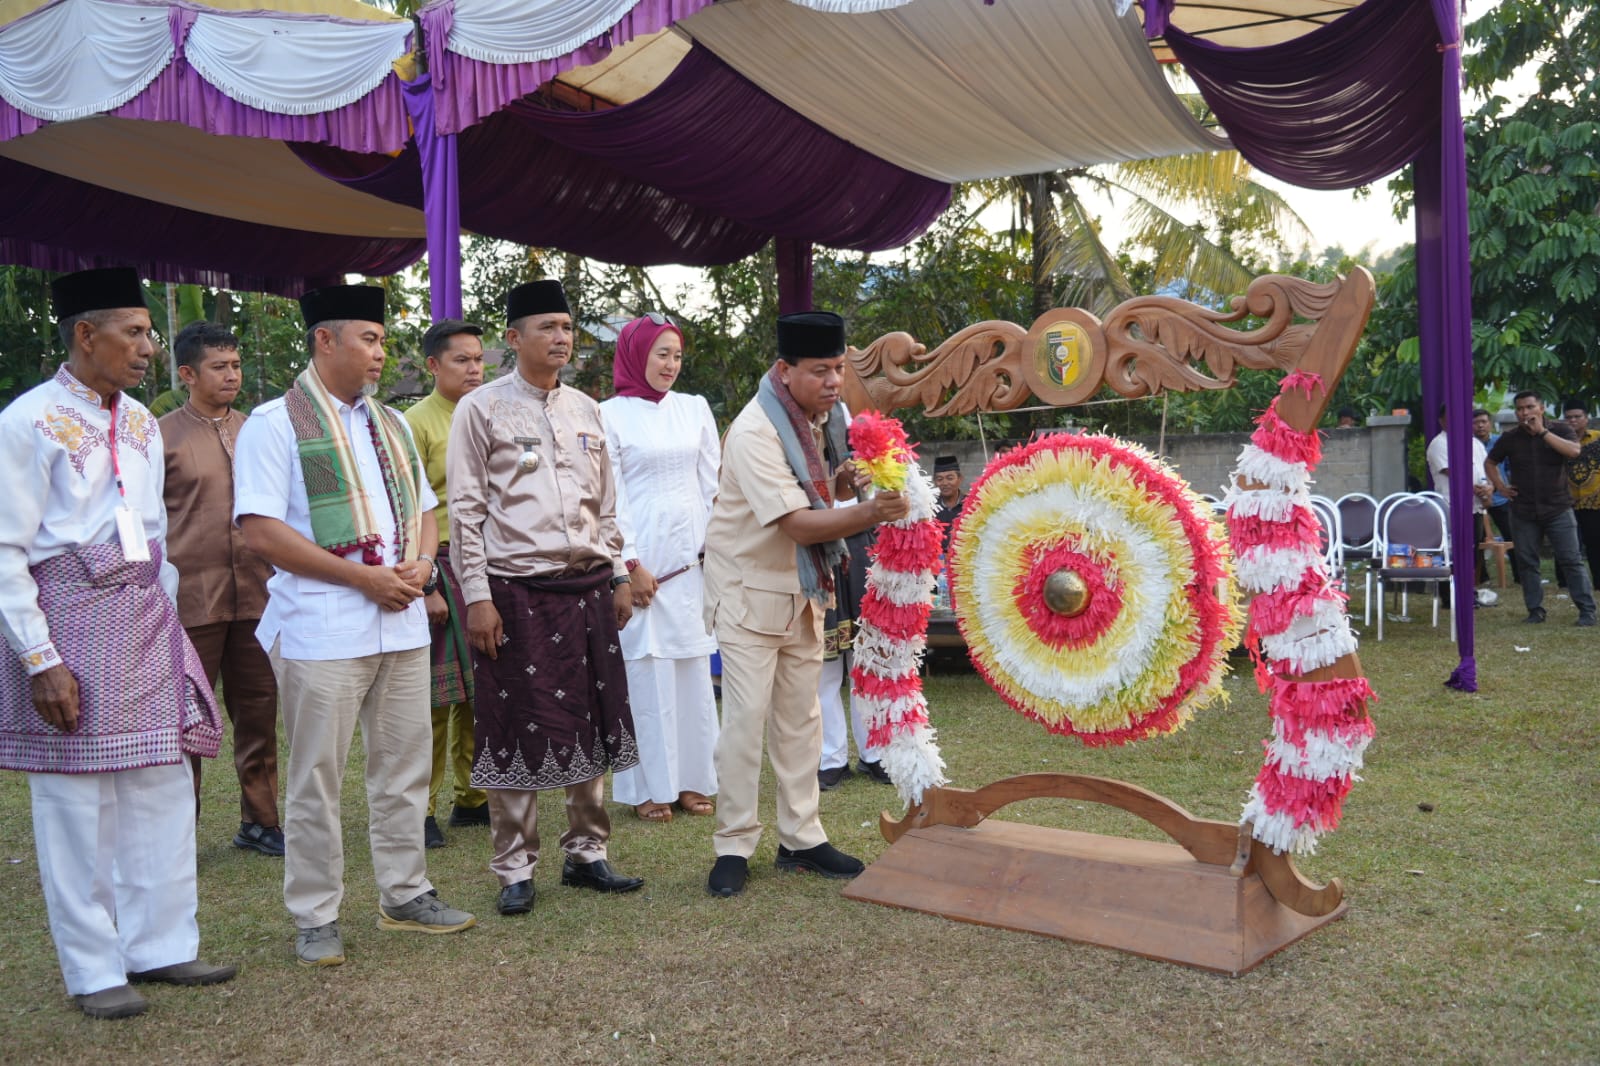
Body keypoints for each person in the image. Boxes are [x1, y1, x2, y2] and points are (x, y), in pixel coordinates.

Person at [0, 267, 234, 1020]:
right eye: (132, 332)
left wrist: (164, 621)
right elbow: (6, 548)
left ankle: (162, 945)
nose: (148, 347)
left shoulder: (139, 420)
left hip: (143, 615)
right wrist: (41, 659)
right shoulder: (26, 422)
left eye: (148, 332)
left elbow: (156, 533)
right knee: (78, 801)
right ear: (84, 335)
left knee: (162, 785)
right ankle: (94, 966)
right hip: (66, 620)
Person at [234, 284, 475, 968]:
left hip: (398, 622)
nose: (380, 353)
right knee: (316, 777)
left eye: (381, 340)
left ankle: (405, 893)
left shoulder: (392, 425)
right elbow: (261, 532)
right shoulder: (274, 424)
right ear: (324, 341)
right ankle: (315, 916)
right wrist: (363, 577)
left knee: (402, 767)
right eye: (368, 339)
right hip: (322, 627)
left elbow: (427, 510)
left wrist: (423, 564)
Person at [448, 279, 645, 918]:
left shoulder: (589, 410)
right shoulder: (479, 410)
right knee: (516, 723)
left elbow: (607, 508)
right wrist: (477, 597)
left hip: (587, 588)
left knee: (591, 717)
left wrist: (616, 575)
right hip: (514, 591)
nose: (560, 338)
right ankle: (514, 866)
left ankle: (588, 852)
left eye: (566, 326)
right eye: (546, 327)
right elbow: (467, 512)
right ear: (513, 337)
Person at [702, 310, 910, 899]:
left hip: (800, 592)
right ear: (783, 370)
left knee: (803, 721)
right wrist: (868, 511)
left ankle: (801, 838)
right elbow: (796, 523)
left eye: (839, 369)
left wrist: (842, 487)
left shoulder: (816, 422)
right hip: (748, 594)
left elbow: (811, 497)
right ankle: (733, 844)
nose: (833, 382)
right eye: (820, 370)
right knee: (744, 725)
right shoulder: (755, 431)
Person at [160, 321, 282, 855]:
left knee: (258, 710)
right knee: (184, 722)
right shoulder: (159, 435)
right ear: (187, 373)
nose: (231, 374)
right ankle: (176, 835)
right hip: (192, 599)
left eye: (235, 365)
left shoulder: (259, 429)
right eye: (219, 366)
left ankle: (260, 821)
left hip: (258, 593)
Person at [600, 313, 721, 825]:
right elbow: (609, 496)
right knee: (645, 680)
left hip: (691, 567)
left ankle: (695, 780)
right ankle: (648, 787)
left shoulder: (694, 409)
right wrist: (628, 566)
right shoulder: (607, 414)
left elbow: (713, 485)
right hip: (641, 569)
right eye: (661, 354)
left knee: (693, 675)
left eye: (676, 354)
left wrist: (715, 548)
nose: (671, 364)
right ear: (636, 355)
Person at [404, 319, 489, 849]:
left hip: (488, 566)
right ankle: (423, 807)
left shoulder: (493, 413)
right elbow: (411, 511)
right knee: (434, 698)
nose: (475, 368)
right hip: (437, 566)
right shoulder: (413, 423)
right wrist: (428, 585)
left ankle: (474, 798)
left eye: (480, 359)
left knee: (483, 692)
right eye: (462, 359)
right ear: (434, 365)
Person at [1483, 390, 1596, 626]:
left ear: (1541, 408)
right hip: (1523, 510)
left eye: (1529, 407)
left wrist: (1542, 432)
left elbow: (1574, 451)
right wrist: (1501, 487)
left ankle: (1587, 611)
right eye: (1520, 408)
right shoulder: (1511, 437)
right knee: (1527, 562)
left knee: (1571, 560)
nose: (1525, 412)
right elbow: (1490, 462)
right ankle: (1535, 611)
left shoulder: (1561, 430)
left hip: (1558, 508)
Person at [1424, 406, 1491, 584]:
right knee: (1453, 552)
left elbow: (1487, 469)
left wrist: (1488, 488)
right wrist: (1477, 488)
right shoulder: (1439, 443)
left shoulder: (1474, 443)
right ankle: (1451, 594)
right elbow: (1452, 472)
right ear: (1441, 421)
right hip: (1451, 506)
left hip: (1474, 505)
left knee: (1474, 549)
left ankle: (1471, 590)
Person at [1472, 409, 1517, 570]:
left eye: (1484, 421)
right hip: (1477, 498)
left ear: (1490, 424)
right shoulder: (1466, 445)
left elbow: (1509, 468)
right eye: (1476, 422)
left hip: (1500, 497)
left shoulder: (1501, 442)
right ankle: (1480, 577)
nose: (1480, 426)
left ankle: (1520, 575)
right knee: (1478, 539)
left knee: (1512, 536)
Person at [1562, 398, 1600, 585]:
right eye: (1568, 417)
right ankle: (1564, 583)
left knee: (1596, 544)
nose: (1573, 421)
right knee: (1566, 546)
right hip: (1565, 503)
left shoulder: (1598, 439)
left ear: (1586, 418)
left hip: (1595, 501)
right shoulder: (1558, 442)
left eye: (1577, 417)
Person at [933, 455, 965, 554]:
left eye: (950, 478)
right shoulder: (929, 507)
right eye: (939, 479)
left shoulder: (970, 505)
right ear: (935, 482)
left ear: (960, 479)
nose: (945, 483)